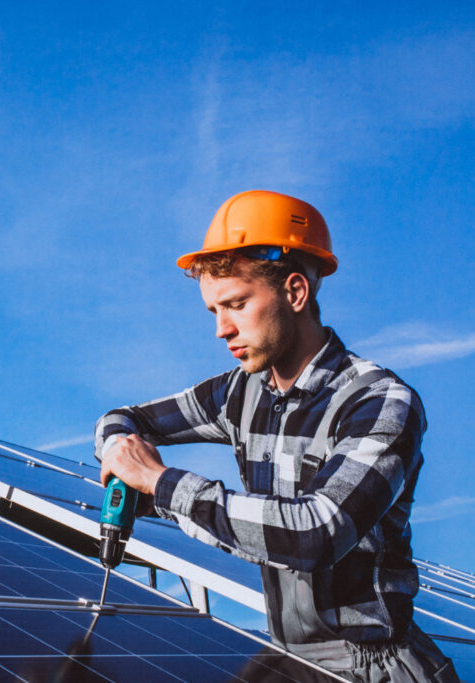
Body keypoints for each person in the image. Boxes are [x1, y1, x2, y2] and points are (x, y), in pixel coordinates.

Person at [95, 190, 458, 682]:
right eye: (213, 311)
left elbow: (317, 533)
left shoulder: (378, 402)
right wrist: (120, 453)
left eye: (237, 304)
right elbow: (124, 417)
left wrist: (160, 483)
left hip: (375, 666)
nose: (222, 329)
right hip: (290, 657)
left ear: (295, 293)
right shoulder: (237, 395)